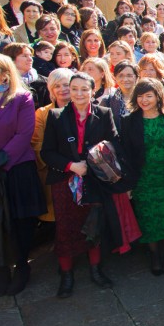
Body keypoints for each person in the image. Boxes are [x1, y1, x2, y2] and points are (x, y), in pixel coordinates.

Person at [41, 72, 133, 298]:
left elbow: (114, 143)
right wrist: (71, 165)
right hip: (66, 180)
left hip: (95, 179)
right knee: (66, 227)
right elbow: (47, 152)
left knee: (94, 225)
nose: (79, 93)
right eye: (74, 89)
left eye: (84, 89)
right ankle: (66, 274)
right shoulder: (55, 116)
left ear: (93, 91)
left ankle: (95, 269)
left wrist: (98, 162)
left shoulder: (103, 113)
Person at [0, 53, 46, 296]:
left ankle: (21, 266)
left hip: (14, 169)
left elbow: (23, 135)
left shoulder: (21, 98)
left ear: (5, 73)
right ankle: (1, 268)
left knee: (20, 222)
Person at [120, 79, 164, 276]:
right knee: (149, 217)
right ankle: (154, 254)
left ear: (158, 96)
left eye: (149, 95)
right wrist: (128, 182)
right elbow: (126, 153)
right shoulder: (129, 120)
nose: (144, 100)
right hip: (143, 178)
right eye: (140, 96)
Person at [32, 68, 74, 226]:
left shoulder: (84, 109)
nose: (62, 89)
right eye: (57, 86)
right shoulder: (42, 113)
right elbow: (37, 143)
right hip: (53, 170)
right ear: (51, 90)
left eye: (66, 85)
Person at [2, 42, 50, 108]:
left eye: (30, 55)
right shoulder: (1, 83)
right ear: (11, 59)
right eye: (24, 56)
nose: (30, 59)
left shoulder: (44, 82)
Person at [100, 61, 138, 133]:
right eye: (121, 76)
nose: (125, 79)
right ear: (115, 78)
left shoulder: (143, 99)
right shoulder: (107, 101)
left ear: (136, 77)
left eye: (129, 75)